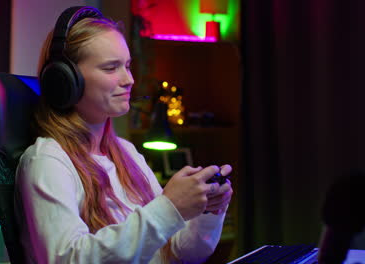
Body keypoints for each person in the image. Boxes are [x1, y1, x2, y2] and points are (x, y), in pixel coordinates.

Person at [14, 6, 233, 264]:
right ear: (65, 81)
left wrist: (208, 211)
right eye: (111, 68)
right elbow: (68, 259)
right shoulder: (47, 162)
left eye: (127, 66)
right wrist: (168, 208)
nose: (128, 79)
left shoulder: (126, 152)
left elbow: (180, 253)